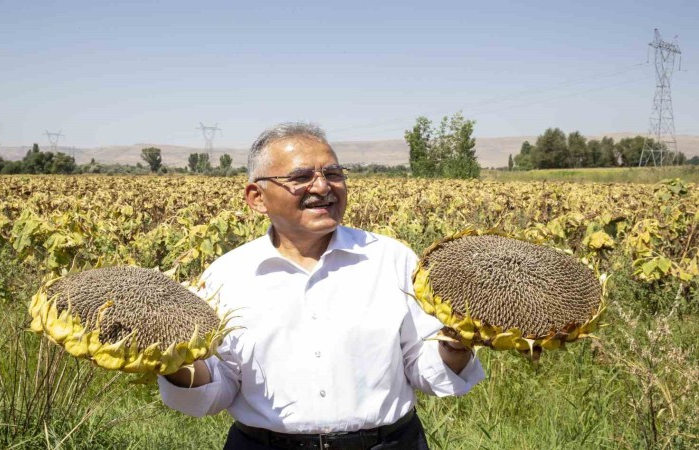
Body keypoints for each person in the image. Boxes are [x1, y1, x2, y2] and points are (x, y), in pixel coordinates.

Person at [158, 122, 485, 449]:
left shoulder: (392, 259)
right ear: (257, 197)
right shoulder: (226, 276)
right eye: (301, 177)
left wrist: (456, 344)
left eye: (333, 173)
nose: (323, 187)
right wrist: (170, 358)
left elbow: (424, 367)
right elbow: (216, 390)